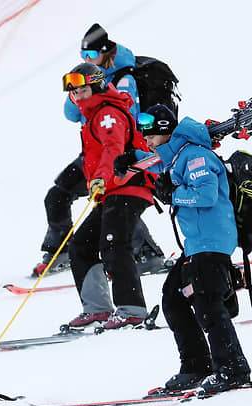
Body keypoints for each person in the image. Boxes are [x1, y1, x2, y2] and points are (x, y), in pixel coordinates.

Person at [35, 22, 164, 277]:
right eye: (83, 55)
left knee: (119, 202)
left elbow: (123, 126)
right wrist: (79, 90)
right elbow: (70, 115)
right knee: (58, 195)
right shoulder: (89, 79)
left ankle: (148, 253)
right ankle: (60, 250)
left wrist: (109, 167)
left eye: (92, 55)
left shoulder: (124, 79)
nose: (87, 59)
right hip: (91, 155)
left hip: (118, 155)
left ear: (108, 51)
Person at [152, 117, 252, 393]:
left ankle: (233, 369)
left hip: (212, 241)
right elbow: (148, 161)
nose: (146, 139)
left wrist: (173, 194)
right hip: (196, 244)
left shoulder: (195, 155)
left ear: (165, 132)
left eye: (150, 133)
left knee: (208, 303)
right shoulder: (177, 157)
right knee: (173, 298)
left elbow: (206, 195)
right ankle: (197, 366)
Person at [62, 63, 156, 330]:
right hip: (111, 190)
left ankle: (132, 310)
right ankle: (98, 309)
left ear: (97, 86)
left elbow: (114, 148)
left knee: (114, 244)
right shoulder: (94, 116)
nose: (77, 98)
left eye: (81, 91)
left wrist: (103, 176)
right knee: (81, 244)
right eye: (74, 94)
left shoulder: (108, 114)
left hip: (127, 186)